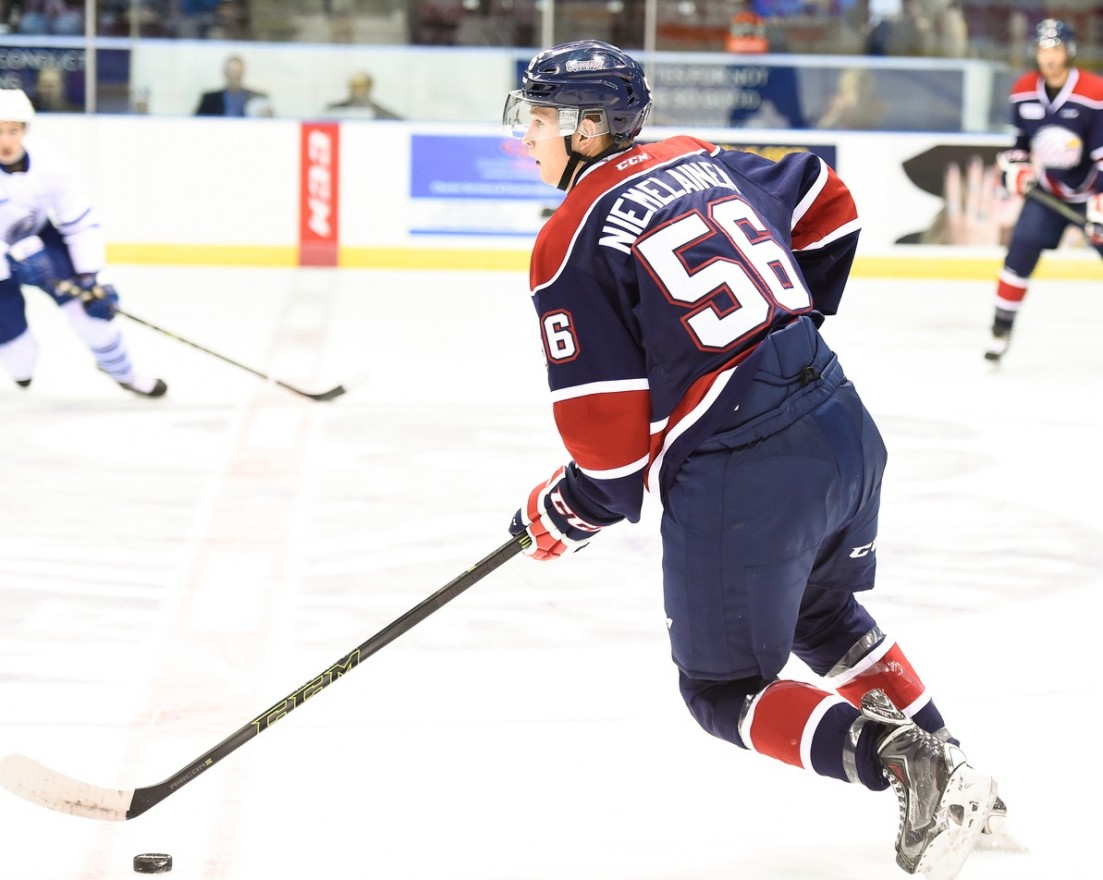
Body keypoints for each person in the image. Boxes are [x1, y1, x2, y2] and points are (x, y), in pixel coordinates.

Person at [502, 41, 1002, 878]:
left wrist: (562, 512)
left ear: (588, 127)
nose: (529, 135)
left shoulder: (567, 241)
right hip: (839, 418)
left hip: (745, 466)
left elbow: (610, 450)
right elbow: (825, 196)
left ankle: (905, 763)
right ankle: (962, 782)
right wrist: (779, 326)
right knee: (822, 614)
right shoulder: (692, 157)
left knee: (721, 690)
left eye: (543, 117)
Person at [0, 89, 166, 397]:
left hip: (39, 236)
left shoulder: (51, 161)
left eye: (13, 130)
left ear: (25, 130)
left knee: (92, 310)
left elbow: (79, 222)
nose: (6, 141)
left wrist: (93, 275)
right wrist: (11, 260)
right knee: (21, 359)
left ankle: (124, 373)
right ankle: (21, 366)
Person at [986, 18, 1103, 362]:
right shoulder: (1023, 91)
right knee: (1020, 250)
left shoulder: (1093, 94)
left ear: (1069, 51)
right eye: (1042, 49)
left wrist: (1101, 198)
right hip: (1050, 193)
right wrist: (1015, 169)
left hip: (1093, 193)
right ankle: (1000, 330)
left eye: (1055, 48)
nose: (1049, 57)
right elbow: (1020, 144)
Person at [194, 55, 269, 118]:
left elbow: (272, 124)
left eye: (237, 73)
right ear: (225, 73)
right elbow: (196, 122)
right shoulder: (209, 100)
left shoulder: (258, 98)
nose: (234, 77)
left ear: (243, 74)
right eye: (231, 73)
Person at [324, 71, 402, 120]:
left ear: (369, 88)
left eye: (361, 86)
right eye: (354, 86)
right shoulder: (335, 110)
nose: (357, 91)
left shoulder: (384, 114)